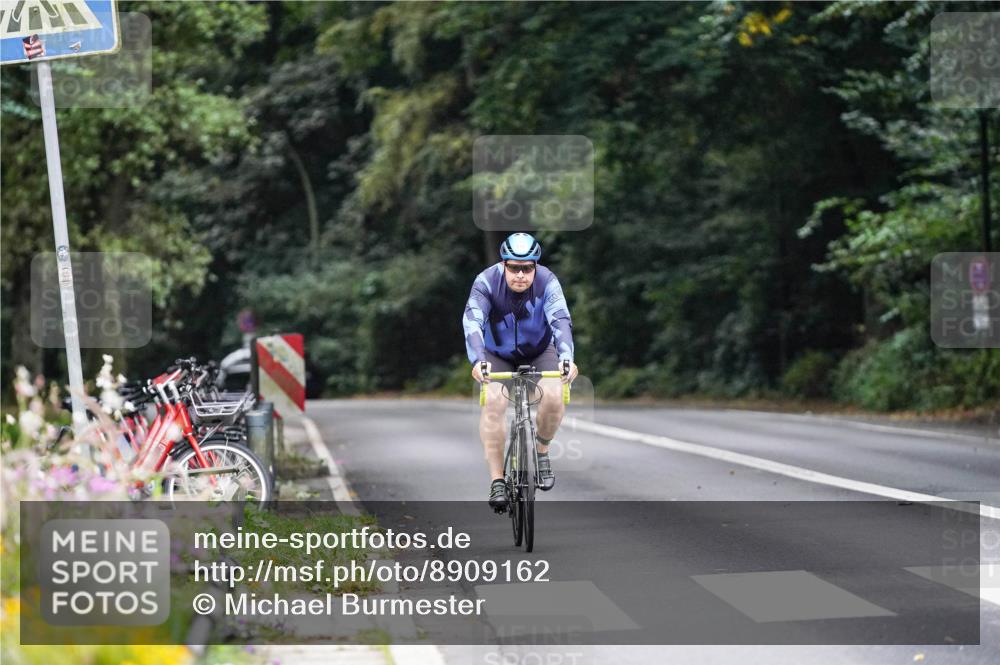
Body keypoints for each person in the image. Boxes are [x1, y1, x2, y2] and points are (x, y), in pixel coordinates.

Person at [462, 233, 579, 511]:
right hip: (496, 354)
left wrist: (567, 358)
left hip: (539, 351)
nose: (521, 274)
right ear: (504, 264)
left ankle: (541, 452)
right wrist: (478, 361)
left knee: (554, 395)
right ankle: (497, 481)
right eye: (514, 267)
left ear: (535, 266)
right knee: (494, 402)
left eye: (528, 268)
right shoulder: (486, 282)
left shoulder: (547, 281)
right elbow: (473, 322)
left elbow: (560, 320)